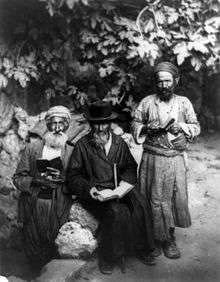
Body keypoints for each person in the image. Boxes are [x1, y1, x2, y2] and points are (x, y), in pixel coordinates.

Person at [66, 101, 155, 275]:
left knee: (140, 204)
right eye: (97, 123)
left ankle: (144, 248)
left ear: (110, 123)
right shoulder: (83, 145)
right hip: (97, 192)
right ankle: (109, 256)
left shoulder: (118, 142)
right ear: (91, 124)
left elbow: (130, 166)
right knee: (116, 212)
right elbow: (73, 176)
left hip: (117, 187)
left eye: (104, 123)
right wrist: (89, 189)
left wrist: (123, 185)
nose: (100, 128)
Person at [131, 61, 200, 259]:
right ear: (156, 82)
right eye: (160, 82)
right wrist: (145, 129)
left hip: (174, 158)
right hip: (152, 158)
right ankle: (151, 240)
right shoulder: (146, 102)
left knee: (170, 198)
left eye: (168, 81)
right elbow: (134, 123)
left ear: (175, 81)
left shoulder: (184, 102)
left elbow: (195, 126)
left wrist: (183, 128)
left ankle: (169, 238)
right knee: (150, 197)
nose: (164, 86)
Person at [13, 106, 74, 269]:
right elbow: (18, 178)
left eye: (61, 123)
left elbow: (78, 182)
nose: (57, 128)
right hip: (33, 203)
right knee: (32, 246)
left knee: (53, 246)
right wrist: (36, 180)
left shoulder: (71, 152)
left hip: (58, 203)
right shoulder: (33, 148)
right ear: (47, 125)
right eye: (53, 123)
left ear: (67, 125)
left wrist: (62, 178)